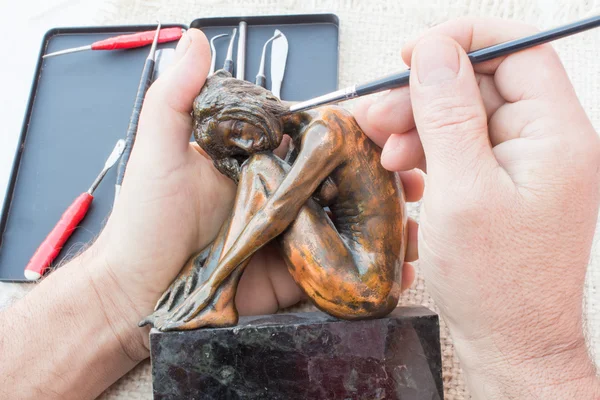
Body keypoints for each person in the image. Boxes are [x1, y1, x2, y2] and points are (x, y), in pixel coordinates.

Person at [0, 16, 598, 399]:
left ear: (251, 108)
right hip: (351, 272)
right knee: (261, 175)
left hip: (363, 289)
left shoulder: (326, 130)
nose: (237, 148)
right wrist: (120, 295)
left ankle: (215, 300)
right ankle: (212, 295)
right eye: (224, 148)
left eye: (232, 131)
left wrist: (214, 279)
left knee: (264, 176)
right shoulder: (304, 140)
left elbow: (275, 211)